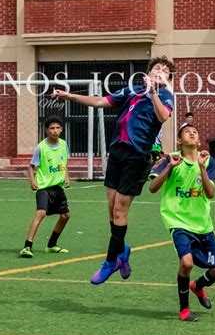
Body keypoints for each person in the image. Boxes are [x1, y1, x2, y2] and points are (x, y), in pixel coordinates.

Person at [52, 55, 175, 285]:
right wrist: (70, 96)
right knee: (111, 209)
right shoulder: (132, 91)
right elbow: (101, 102)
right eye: (156, 68)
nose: (160, 71)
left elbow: (163, 116)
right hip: (117, 152)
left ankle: (110, 261)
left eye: (165, 71)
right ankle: (122, 251)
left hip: (138, 156)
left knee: (119, 210)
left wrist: (154, 92)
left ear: (168, 78)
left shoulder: (166, 96)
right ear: (147, 73)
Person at [149, 124, 215, 322]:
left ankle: (197, 287)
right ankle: (184, 310)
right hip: (178, 221)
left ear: (199, 141)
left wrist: (201, 167)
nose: (192, 133)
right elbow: (153, 188)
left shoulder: (208, 161)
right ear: (179, 141)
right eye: (186, 132)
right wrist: (170, 168)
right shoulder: (171, 159)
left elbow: (211, 193)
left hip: (203, 225)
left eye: (195, 132)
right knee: (186, 262)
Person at [19, 116, 71, 258]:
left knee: (65, 216)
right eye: (52, 128)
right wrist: (32, 180)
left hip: (58, 188)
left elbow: (64, 163)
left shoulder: (63, 144)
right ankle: (27, 247)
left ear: (61, 129)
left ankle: (52, 245)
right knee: (40, 213)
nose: (55, 130)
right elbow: (31, 166)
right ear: (46, 131)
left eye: (57, 128)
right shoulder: (41, 147)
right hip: (44, 188)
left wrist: (66, 176)